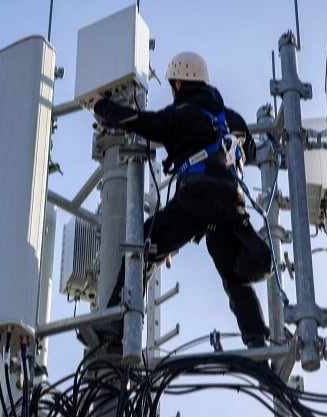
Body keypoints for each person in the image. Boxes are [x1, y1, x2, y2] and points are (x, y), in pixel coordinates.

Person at [91, 51, 273, 348]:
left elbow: (137, 121)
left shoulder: (181, 115)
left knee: (145, 243)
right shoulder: (233, 120)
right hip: (231, 203)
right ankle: (257, 343)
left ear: (178, 83)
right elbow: (251, 151)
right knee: (233, 275)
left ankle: (115, 324)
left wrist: (101, 104)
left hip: (197, 196)